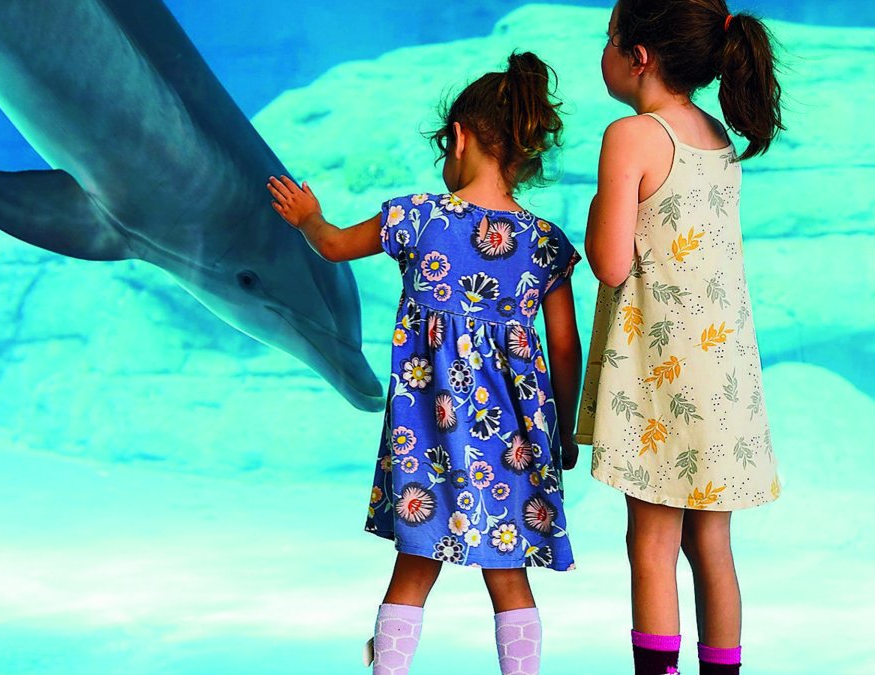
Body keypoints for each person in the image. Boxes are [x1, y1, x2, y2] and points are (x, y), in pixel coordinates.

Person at [268, 51, 583, 675]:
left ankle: (388, 668)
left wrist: (309, 218)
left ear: (459, 139)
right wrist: (565, 430)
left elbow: (333, 247)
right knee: (510, 575)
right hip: (514, 441)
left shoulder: (417, 216)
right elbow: (565, 346)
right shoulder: (545, 242)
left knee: (413, 569)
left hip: (429, 437)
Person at [575, 2, 784, 673]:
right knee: (712, 547)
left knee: (652, 545)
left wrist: (596, 208)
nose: (604, 51)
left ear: (639, 56)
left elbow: (611, 263)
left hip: (662, 376)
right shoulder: (714, 135)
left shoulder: (632, 136)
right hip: (722, 374)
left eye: (610, 39)